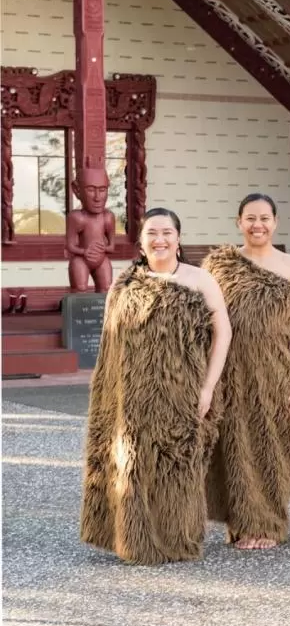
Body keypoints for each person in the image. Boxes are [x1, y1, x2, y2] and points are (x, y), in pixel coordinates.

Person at [80, 208, 231, 564]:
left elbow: (223, 333)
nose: (159, 239)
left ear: (178, 239)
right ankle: (135, 540)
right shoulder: (125, 283)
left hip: (183, 390)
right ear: (141, 242)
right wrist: (107, 391)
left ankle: (176, 540)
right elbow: (109, 341)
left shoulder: (199, 279)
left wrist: (208, 386)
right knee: (132, 464)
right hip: (131, 394)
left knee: (177, 466)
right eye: (152, 233)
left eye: (167, 232)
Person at [203, 194, 290, 550]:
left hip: (280, 370)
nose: (258, 225)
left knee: (273, 446)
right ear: (239, 222)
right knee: (235, 445)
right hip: (233, 371)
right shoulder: (220, 266)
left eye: (264, 218)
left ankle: (268, 525)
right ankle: (241, 522)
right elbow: (203, 318)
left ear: (275, 223)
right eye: (250, 218)